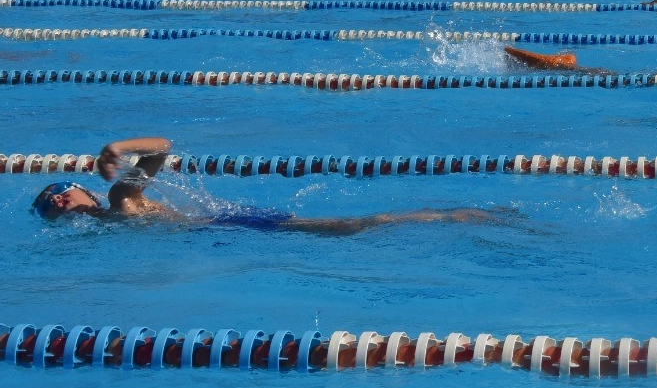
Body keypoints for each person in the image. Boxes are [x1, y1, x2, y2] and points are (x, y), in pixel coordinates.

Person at [32, 136, 505, 236]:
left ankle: (453, 216)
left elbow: (162, 150)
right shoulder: (102, 226)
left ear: (88, 192)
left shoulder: (119, 199)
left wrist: (118, 146)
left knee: (354, 227)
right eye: (48, 202)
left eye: (61, 190)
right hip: (226, 233)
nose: (56, 198)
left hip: (233, 225)